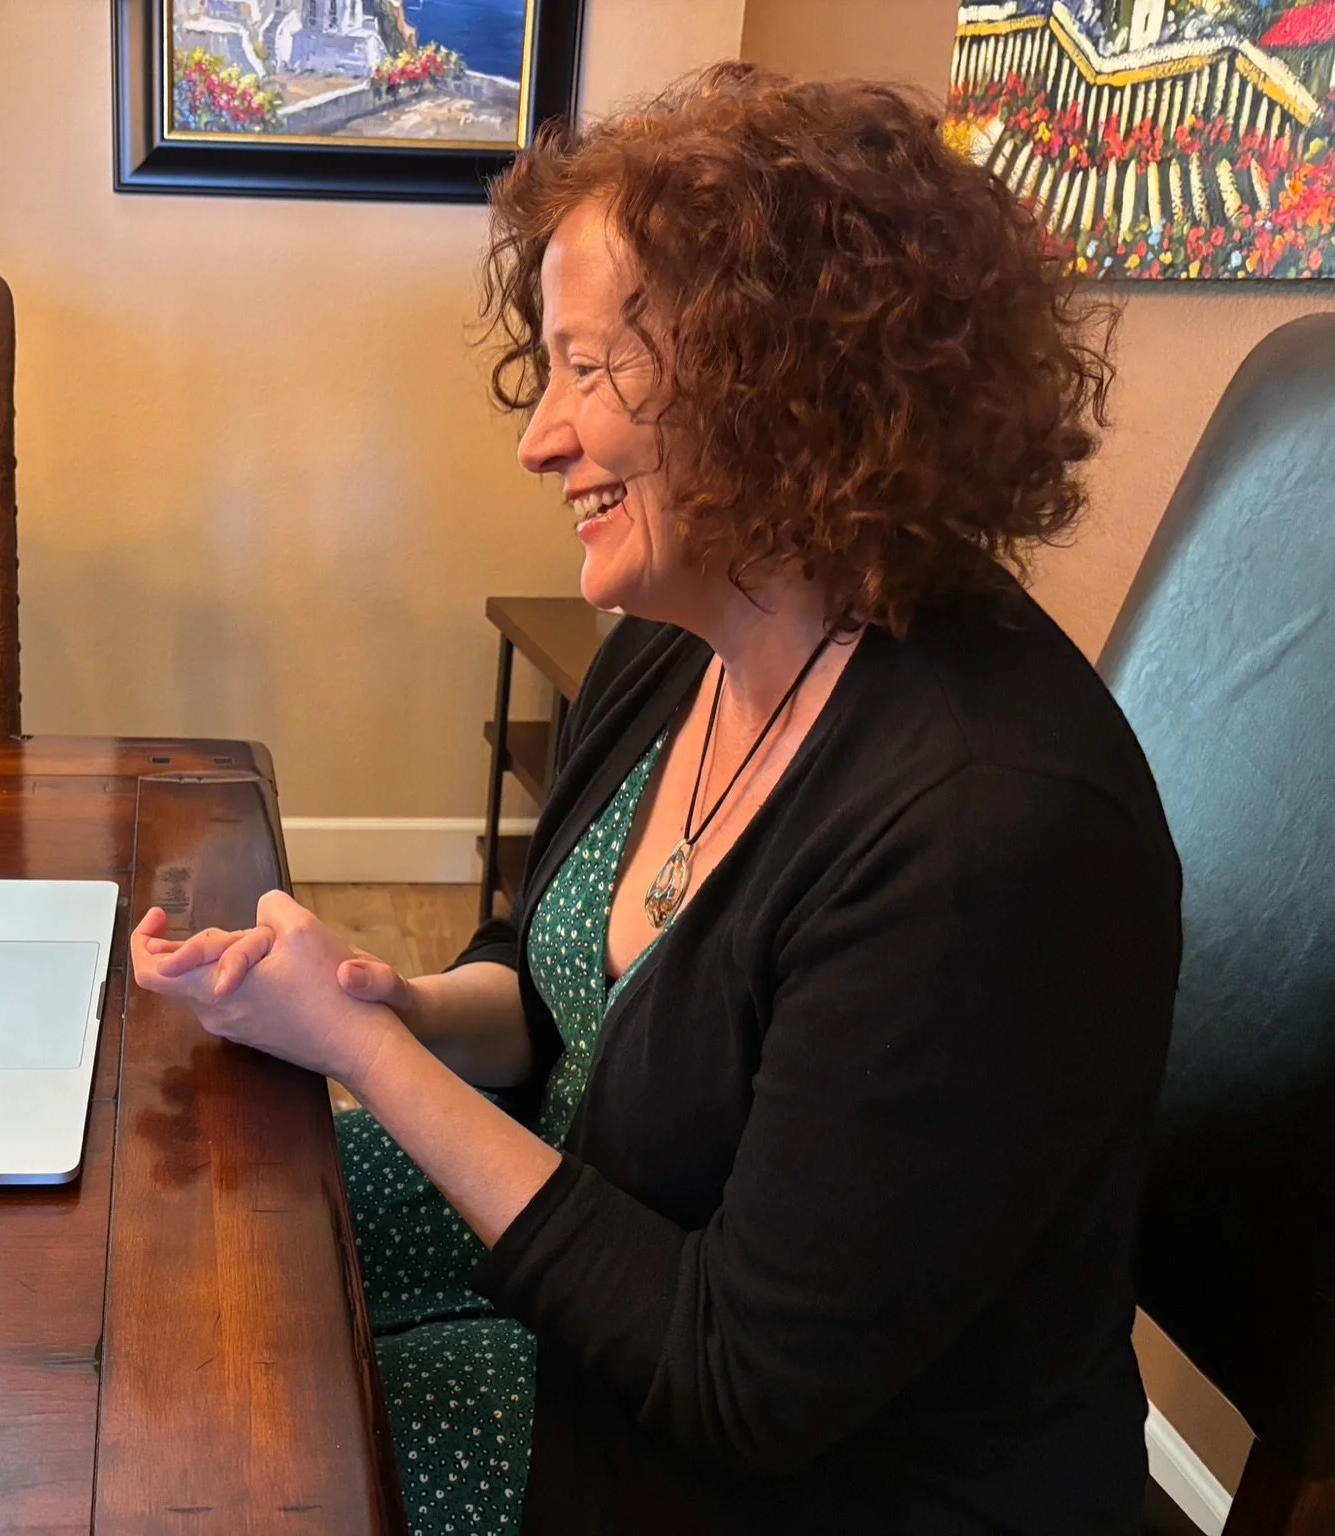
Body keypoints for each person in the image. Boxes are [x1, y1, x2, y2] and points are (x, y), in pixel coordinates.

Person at [131, 64, 1181, 1535]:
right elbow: (559, 975)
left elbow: (735, 1382)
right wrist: (402, 1005)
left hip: (813, 1476)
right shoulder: (681, 643)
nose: (538, 437)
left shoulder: (982, 829)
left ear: (777, 374)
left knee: (227, 1469)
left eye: (589, 368)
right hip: (621, 1260)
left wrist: (370, 1061)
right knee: (196, 1224)